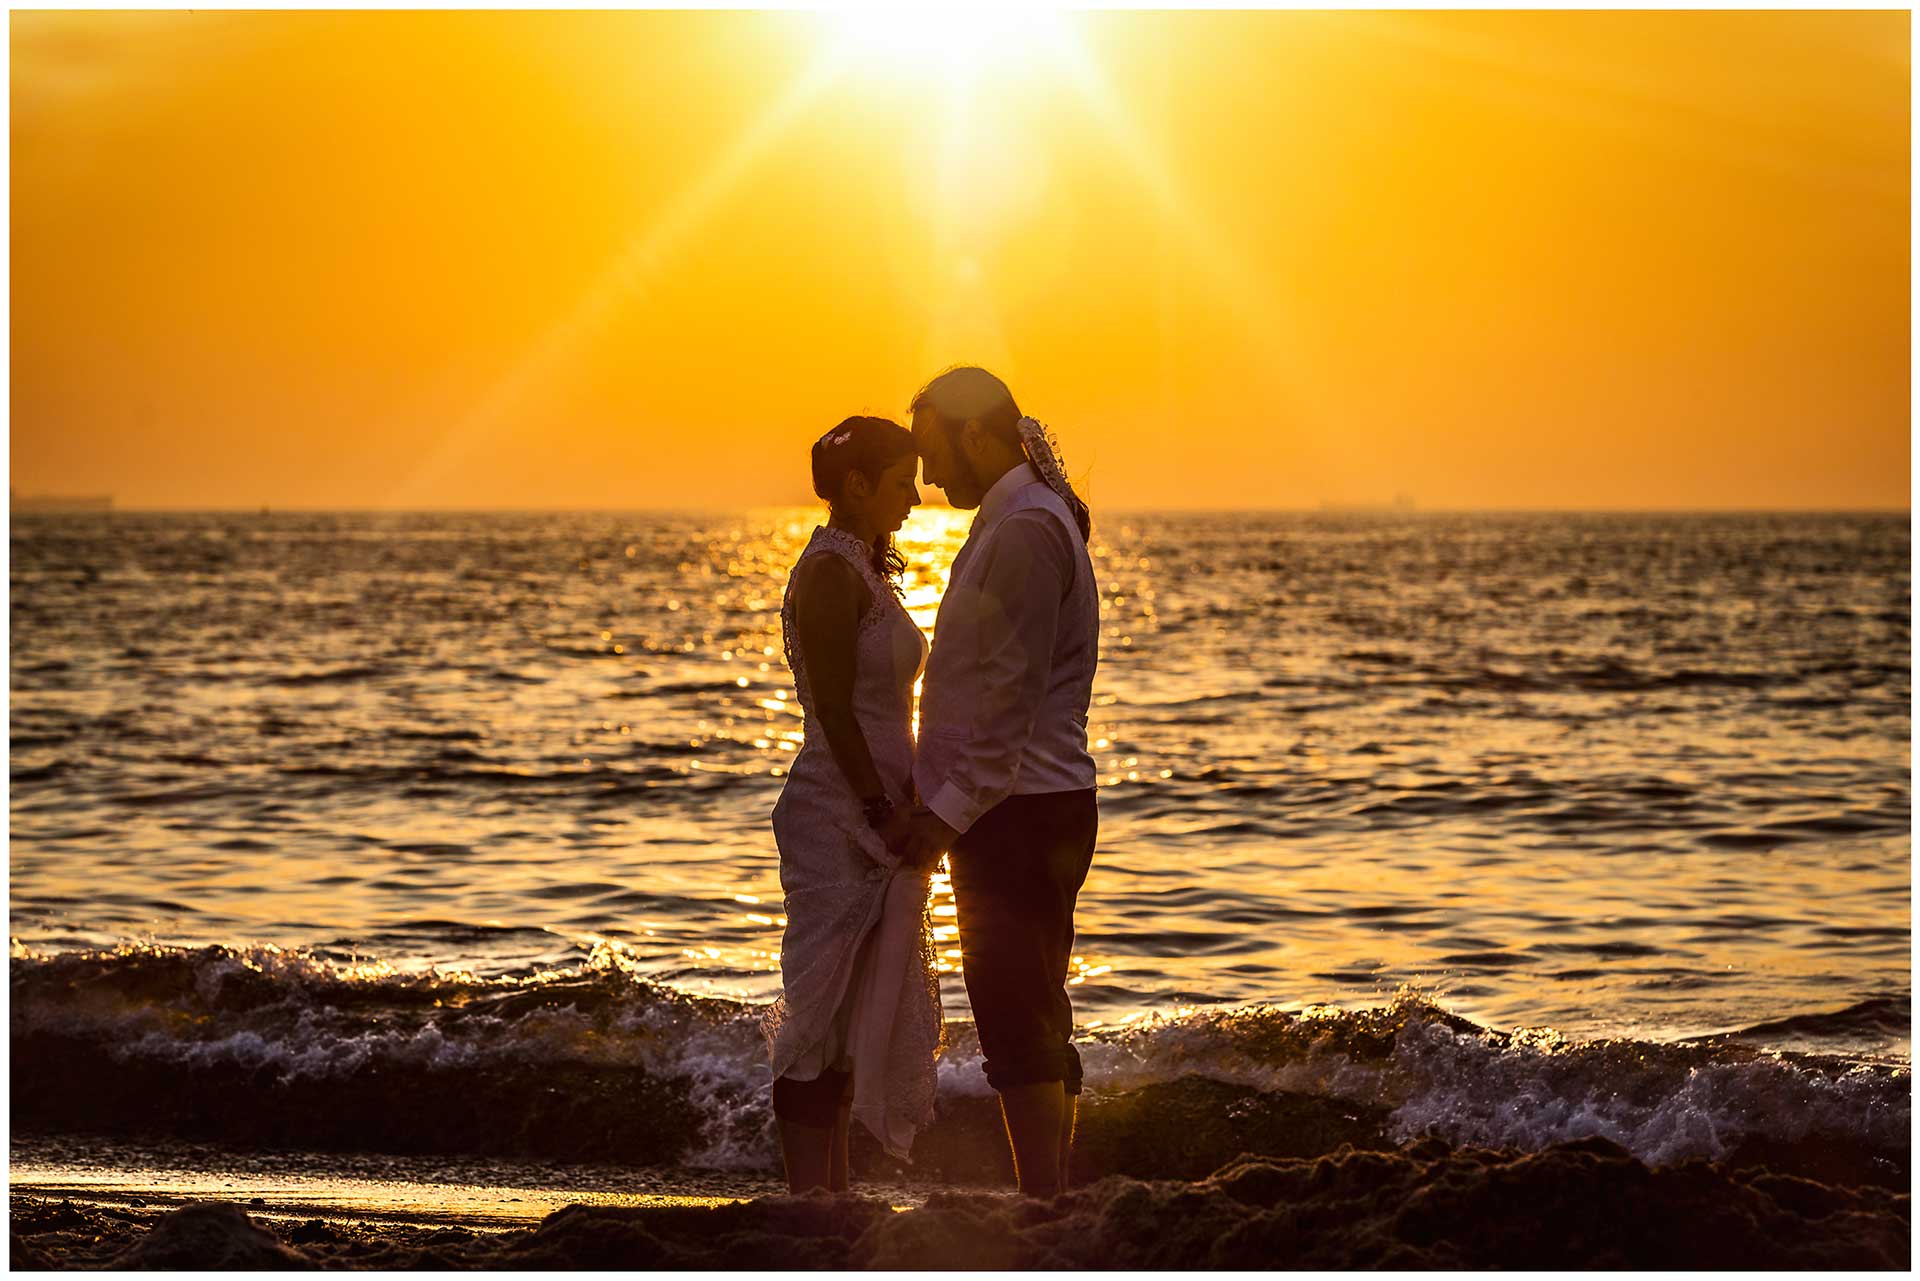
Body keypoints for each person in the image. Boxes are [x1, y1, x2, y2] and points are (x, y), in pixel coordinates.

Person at [896, 367, 1099, 1199]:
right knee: (1035, 1007)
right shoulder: (1018, 516)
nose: (928, 475)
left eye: (934, 451)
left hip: (1016, 809)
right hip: (1025, 804)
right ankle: (1052, 1196)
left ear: (976, 434)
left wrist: (939, 818)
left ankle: (1043, 1204)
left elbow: (1005, 706)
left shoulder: (1022, 529)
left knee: (1016, 1015)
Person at [763, 416, 943, 1193]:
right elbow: (833, 713)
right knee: (817, 1018)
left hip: (876, 810)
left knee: (849, 1021)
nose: (914, 496)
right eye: (902, 481)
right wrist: (879, 811)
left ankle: (834, 1193)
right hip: (838, 817)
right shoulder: (830, 575)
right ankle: (811, 1197)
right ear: (859, 485)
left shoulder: (866, 568)